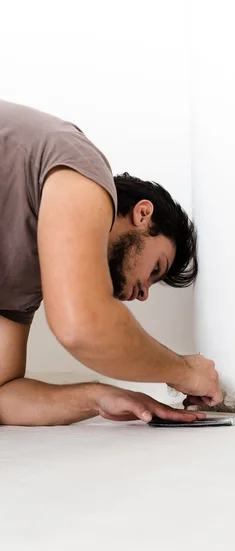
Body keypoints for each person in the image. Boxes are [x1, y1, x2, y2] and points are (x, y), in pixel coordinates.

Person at [0, 100, 222, 426]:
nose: (144, 294)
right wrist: (184, 371)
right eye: (156, 269)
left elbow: (4, 394)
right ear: (143, 214)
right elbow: (82, 326)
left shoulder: (24, 280)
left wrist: (101, 397)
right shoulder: (84, 170)